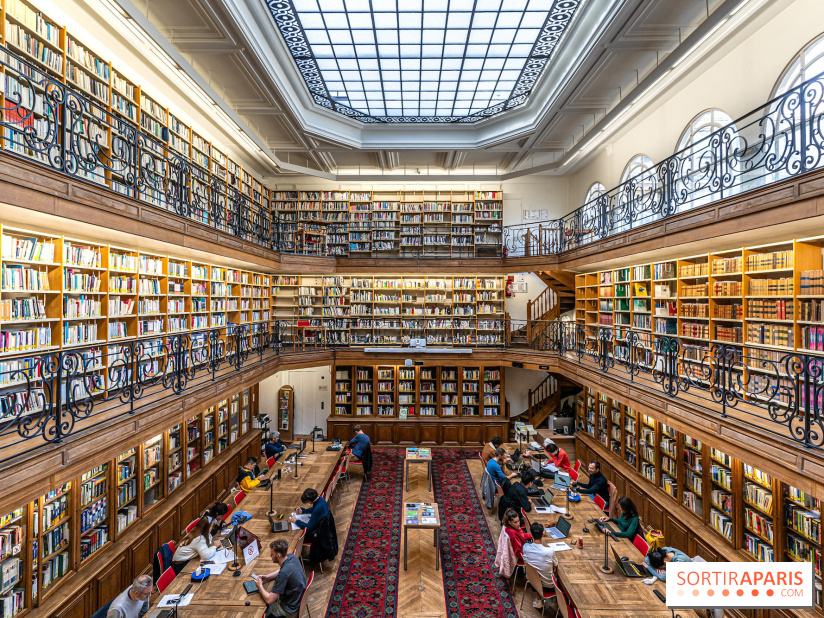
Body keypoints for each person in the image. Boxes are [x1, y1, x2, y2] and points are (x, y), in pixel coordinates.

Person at [252, 539, 307, 618]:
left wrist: (260, 586)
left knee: (262, 612)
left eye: (272, 554)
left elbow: (269, 600)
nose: (270, 556)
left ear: (278, 555)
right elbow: (283, 570)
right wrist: (267, 576)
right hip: (296, 600)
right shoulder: (292, 557)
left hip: (288, 609)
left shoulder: (283, 574)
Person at [522, 522, 559, 610]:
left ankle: (538, 599)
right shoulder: (549, 551)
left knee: (535, 570)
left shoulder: (525, 547)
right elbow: (556, 565)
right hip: (549, 587)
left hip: (533, 581)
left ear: (531, 534)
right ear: (543, 533)